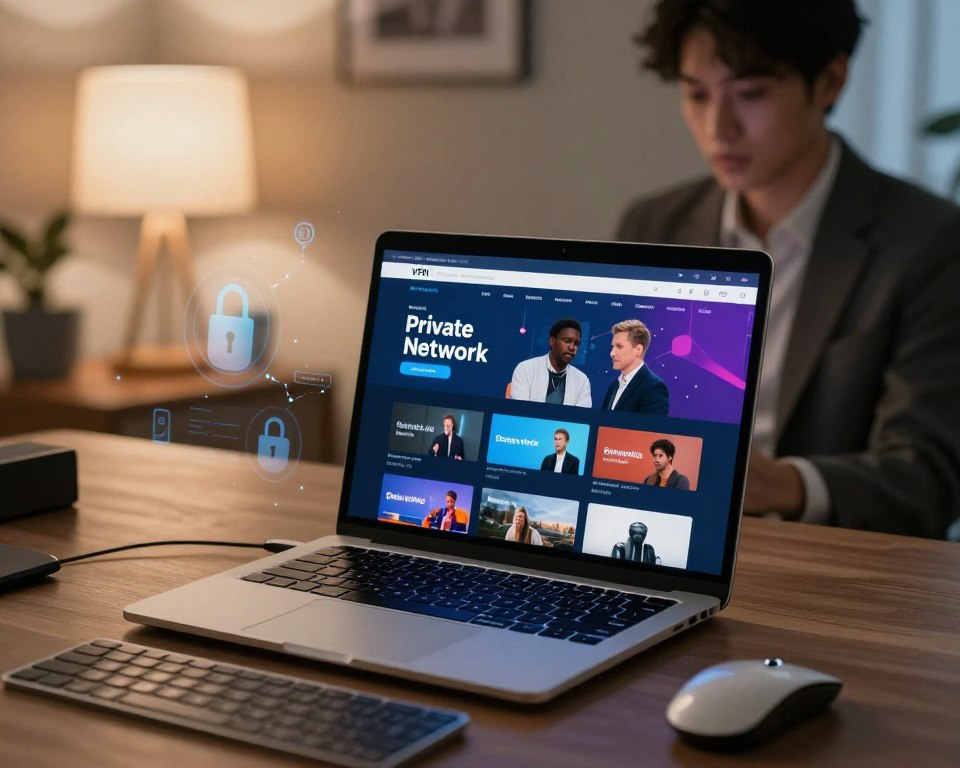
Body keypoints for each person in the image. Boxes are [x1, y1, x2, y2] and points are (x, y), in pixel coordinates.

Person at [617, 0, 960, 538]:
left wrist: (784, 484)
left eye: (750, 94)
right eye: (696, 94)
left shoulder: (928, 240)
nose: (718, 128)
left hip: (833, 566)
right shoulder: (655, 223)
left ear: (828, 82)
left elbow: (926, 478)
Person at [510, 318, 592, 407]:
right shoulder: (526, 369)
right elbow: (519, 411)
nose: (572, 347)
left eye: (576, 343)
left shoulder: (582, 381)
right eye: (567, 340)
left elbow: (581, 417)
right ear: (552, 341)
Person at [600, 319, 669, 414]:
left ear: (638, 350)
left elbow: (651, 427)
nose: (612, 353)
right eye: (613, 347)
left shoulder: (654, 387)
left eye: (619, 347)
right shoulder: (613, 386)